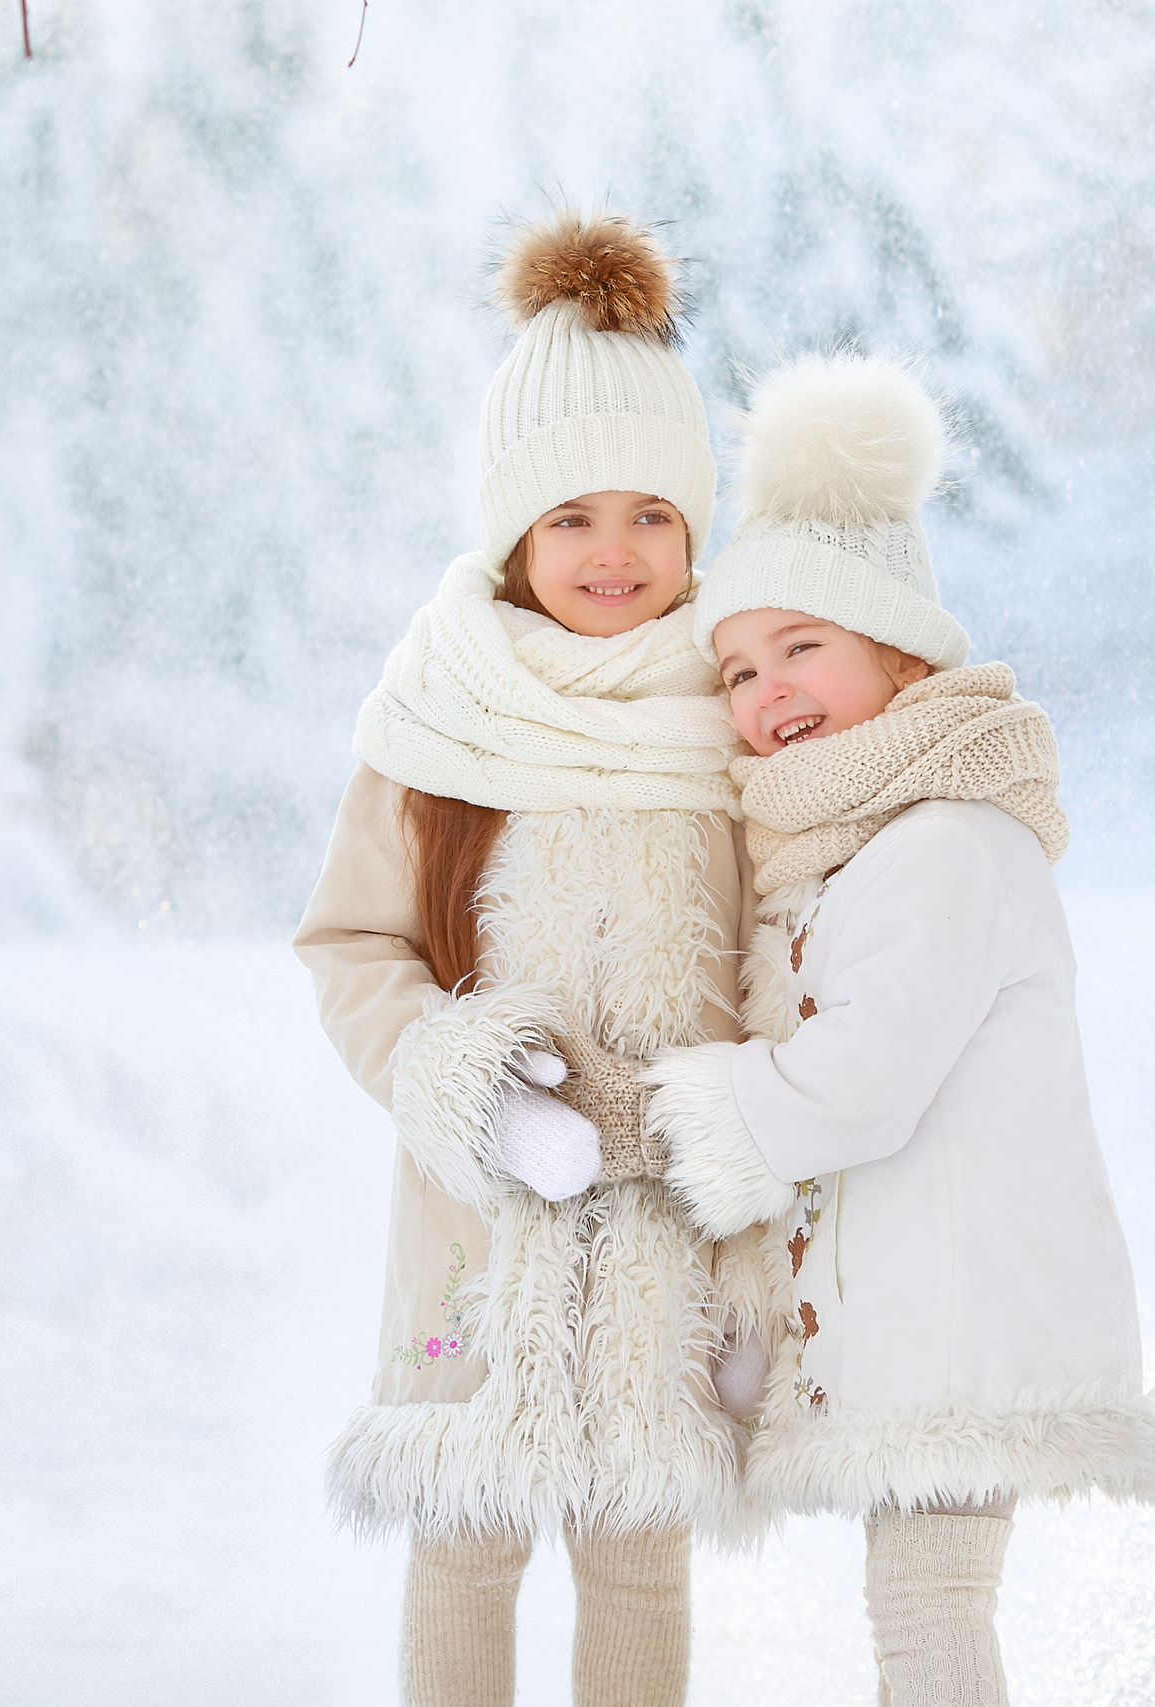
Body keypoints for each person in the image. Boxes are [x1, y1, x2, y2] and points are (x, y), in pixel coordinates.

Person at [292, 209, 783, 1707]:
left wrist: (748, 1184)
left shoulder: (736, 710)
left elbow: (780, 960)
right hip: (478, 1219)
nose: (614, 553)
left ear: (698, 529)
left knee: (641, 1544)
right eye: (572, 518)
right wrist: (466, 1085)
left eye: (650, 514)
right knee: (470, 1528)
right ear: (511, 536)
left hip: (669, 1219)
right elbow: (354, 943)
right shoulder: (443, 717)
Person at [638, 353, 1155, 1707]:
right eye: (740, 670)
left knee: (927, 1609)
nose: (766, 694)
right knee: (922, 1609)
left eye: (802, 647)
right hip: (942, 1314)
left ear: (898, 651)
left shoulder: (944, 844)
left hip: (970, 1317)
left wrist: (700, 1109)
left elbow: (861, 1082)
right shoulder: (863, 847)